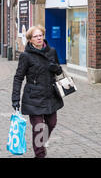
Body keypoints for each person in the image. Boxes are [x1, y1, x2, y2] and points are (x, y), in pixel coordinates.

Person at [11, 25, 64, 158]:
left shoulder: (51, 51)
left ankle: (40, 143)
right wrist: (15, 98)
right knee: (39, 127)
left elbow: (59, 70)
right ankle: (40, 154)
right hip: (33, 97)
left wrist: (56, 68)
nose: (39, 38)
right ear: (30, 40)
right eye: (36, 36)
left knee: (51, 124)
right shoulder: (26, 56)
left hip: (50, 95)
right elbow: (18, 77)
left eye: (41, 35)